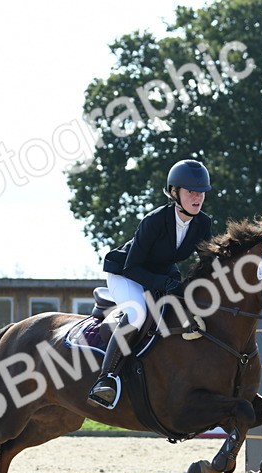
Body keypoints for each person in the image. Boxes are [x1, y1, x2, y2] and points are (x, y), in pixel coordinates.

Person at [87, 158, 214, 409]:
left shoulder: (203, 223)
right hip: (125, 274)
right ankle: (106, 379)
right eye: (191, 192)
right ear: (174, 193)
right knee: (137, 312)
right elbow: (132, 267)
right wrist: (164, 284)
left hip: (161, 274)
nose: (197, 197)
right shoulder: (155, 220)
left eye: (201, 193)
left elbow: (209, 263)